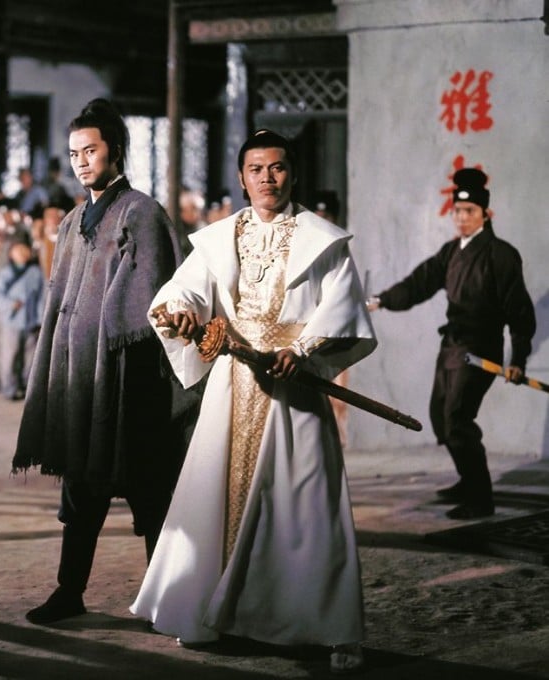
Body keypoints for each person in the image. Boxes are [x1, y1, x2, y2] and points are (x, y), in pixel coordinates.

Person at [129, 129, 375, 674]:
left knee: (306, 508)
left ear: (292, 173)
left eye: (278, 167)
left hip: (295, 391)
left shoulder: (323, 241)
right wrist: (178, 312)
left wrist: (304, 349)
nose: (268, 178)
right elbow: (184, 291)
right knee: (218, 497)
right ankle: (213, 613)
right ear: (242, 178)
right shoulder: (219, 238)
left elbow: (342, 308)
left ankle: (325, 625)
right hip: (234, 384)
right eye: (257, 169)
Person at [12, 98, 183, 625]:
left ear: (115, 150)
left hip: (129, 377)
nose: (81, 161)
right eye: (73, 153)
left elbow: (151, 294)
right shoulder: (68, 222)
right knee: (81, 488)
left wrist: (106, 331)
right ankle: (70, 591)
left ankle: (168, 597)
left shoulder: (142, 212)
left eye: (91, 150)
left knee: (148, 490)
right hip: (81, 375)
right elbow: (62, 294)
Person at [367, 167, 535, 520]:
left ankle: (480, 497)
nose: (462, 218)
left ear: (485, 215)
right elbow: (419, 283)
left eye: (469, 212)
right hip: (452, 347)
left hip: (480, 350)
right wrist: (381, 300)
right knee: (440, 418)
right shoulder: (451, 251)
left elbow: (519, 310)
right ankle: (467, 480)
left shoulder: (501, 255)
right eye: (457, 212)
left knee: (457, 418)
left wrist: (518, 357)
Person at [0, 232, 44, 400]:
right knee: (10, 355)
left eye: (24, 249)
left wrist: (40, 318)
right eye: (17, 250)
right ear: (10, 253)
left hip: (30, 321)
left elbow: (42, 297)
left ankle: (28, 387)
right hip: (11, 321)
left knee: (30, 356)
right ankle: (9, 388)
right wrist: (10, 304)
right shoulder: (6, 272)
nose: (21, 253)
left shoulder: (36, 272)